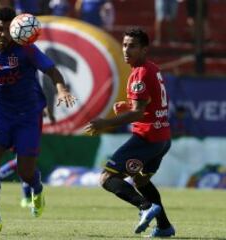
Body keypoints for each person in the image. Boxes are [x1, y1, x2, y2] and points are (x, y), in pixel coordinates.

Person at [0, 7, 75, 236]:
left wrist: (61, 90)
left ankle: (37, 189)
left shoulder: (27, 50)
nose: (4, 34)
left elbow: (52, 71)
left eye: (8, 30)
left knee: (25, 173)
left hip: (28, 116)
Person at [84, 28, 175, 238]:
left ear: (144, 49)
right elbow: (147, 105)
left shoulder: (141, 72)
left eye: (132, 46)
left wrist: (104, 123)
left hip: (147, 138)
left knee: (107, 177)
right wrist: (128, 106)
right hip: (162, 138)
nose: (126, 49)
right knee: (141, 181)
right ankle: (164, 227)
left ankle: (145, 207)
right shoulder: (151, 68)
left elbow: (138, 113)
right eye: (125, 45)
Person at [0, 107, 56, 208]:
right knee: (24, 161)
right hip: (17, 125)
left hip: (25, 124)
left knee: (25, 162)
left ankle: (26, 197)